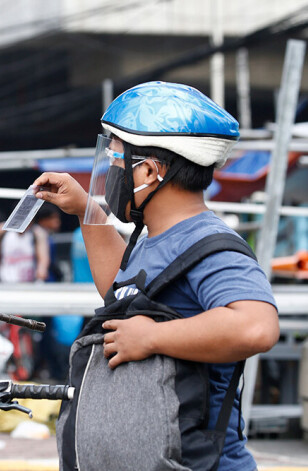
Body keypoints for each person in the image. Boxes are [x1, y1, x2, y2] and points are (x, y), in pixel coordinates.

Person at [34, 81, 279, 470]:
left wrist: (153, 337)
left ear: (149, 170)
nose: (111, 173)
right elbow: (123, 292)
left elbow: (255, 327)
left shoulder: (209, 243)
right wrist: (85, 209)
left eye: (116, 163)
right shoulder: (153, 239)